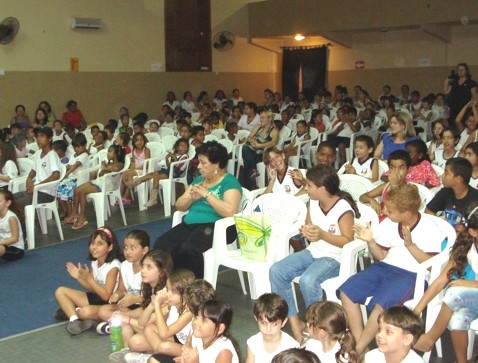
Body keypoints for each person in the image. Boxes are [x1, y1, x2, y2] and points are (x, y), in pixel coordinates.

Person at [338, 184, 444, 355]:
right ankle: (362, 346)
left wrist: (410, 245)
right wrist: (370, 241)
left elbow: (432, 265)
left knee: (381, 306)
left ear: (407, 212)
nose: (386, 213)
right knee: (346, 292)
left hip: (412, 275)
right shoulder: (389, 223)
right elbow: (380, 256)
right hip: (385, 267)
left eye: (391, 211)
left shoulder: (429, 228)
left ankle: (356, 351)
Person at [269, 164, 359, 340]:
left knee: (308, 281)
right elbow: (310, 225)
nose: (306, 188)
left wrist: (323, 235)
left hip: (335, 258)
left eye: (309, 185)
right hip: (314, 250)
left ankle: (317, 327)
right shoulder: (313, 201)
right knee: (276, 270)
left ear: (322, 189)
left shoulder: (343, 209)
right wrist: (307, 231)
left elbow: (348, 241)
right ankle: (296, 324)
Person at [154, 141, 241, 278]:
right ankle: (175, 283)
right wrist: (192, 198)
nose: (199, 166)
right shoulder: (199, 180)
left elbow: (230, 211)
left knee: (189, 249)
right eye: (199, 162)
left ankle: (196, 288)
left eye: (203, 163)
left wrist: (207, 195)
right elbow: (179, 205)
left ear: (217, 163)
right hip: (191, 224)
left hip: (218, 226)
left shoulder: (229, 182)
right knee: (162, 245)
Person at [413, 204, 478, 363]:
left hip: (470, 293)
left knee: (456, 290)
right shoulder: (467, 246)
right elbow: (441, 280)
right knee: (457, 319)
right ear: (473, 232)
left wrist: (466, 284)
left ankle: (430, 339)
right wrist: (416, 311)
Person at [54, 227, 123, 335]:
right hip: (97, 297)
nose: (94, 247)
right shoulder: (95, 262)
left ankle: (73, 311)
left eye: (100, 244)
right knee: (60, 291)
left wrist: (89, 278)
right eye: (92, 243)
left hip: (110, 302)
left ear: (110, 247)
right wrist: (79, 278)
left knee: (85, 312)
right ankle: (74, 320)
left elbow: (106, 296)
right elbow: (91, 288)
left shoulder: (114, 266)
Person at [122, 269, 196, 363]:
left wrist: (157, 306)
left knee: (164, 346)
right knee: (142, 335)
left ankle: (150, 358)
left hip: (188, 348)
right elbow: (142, 323)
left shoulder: (189, 312)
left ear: (184, 294)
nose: (168, 294)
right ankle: (156, 357)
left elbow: (164, 333)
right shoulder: (171, 305)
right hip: (175, 340)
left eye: (172, 291)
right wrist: (152, 305)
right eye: (168, 289)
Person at [147, 279, 217, 363]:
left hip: (196, 359)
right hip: (186, 353)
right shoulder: (196, 321)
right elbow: (187, 345)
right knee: (152, 360)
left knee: (162, 349)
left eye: (186, 303)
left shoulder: (205, 328)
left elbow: (201, 356)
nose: (184, 305)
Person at [96, 230, 150, 332]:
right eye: (125, 247)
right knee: (103, 311)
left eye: (132, 248)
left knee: (145, 314)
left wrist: (137, 299)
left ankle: (123, 325)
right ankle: (130, 325)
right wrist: (117, 295)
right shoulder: (124, 265)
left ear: (145, 250)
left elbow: (154, 299)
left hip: (145, 307)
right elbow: (121, 290)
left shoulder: (149, 269)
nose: (128, 251)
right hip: (129, 306)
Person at [63, 144, 125, 229]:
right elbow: (100, 174)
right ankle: (74, 213)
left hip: (108, 185)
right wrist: (104, 168)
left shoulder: (120, 164)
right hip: (99, 182)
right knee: (76, 190)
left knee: (82, 192)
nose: (107, 153)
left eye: (110, 151)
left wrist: (105, 167)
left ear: (117, 153)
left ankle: (82, 217)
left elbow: (116, 169)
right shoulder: (108, 164)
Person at [13, 126, 61, 221]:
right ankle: (22, 226)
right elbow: (33, 171)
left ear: (50, 139)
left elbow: (56, 175)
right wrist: (29, 180)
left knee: (17, 203)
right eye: (37, 136)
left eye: (42, 136)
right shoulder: (39, 153)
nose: (39, 139)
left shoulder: (52, 155)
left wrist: (37, 186)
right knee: (10, 199)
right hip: (37, 190)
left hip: (47, 193)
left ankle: (26, 229)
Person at [170, 300, 241, 363]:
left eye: (204, 320)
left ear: (220, 328)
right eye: (197, 317)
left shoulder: (223, 351)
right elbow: (187, 351)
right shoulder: (196, 337)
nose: (196, 322)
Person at [134, 138, 189, 208]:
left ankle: (153, 199)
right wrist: (167, 158)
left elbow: (177, 166)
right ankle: (136, 182)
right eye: (181, 146)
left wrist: (175, 158)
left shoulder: (184, 156)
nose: (183, 147)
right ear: (177, 148)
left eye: (185, 146)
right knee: (153, 173)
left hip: (175, 174)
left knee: (156, 177)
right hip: (169, 171)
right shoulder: (176, 154)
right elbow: (169, 167)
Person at [245, 293, 299, 363]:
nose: (268, 329)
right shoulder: (253, 343)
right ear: (256, 319)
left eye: (274, 324)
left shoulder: (291, 347)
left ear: (284, 322)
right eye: (263, 323)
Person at [426, 157, 478, 229]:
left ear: (458, 179)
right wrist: (442, 227)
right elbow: (429, 211)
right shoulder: (445, 192)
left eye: (446, 173)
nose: (442, 175)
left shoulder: (475, 200)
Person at [359, 150, 410, 219]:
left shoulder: (411, 189)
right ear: (389, 170)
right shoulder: (386, 186)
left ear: (408, 170)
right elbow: (362, 197)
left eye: (401, 168)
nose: (396, 172)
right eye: (393, 168)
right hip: (380, 220)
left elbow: (399, 207)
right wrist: (371, 200)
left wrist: (394, 185)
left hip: (396, 223)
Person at [242, 110, 279, 189]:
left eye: (263, 118)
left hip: (262, 153)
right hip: (252, 151)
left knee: (246, 155)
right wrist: (254, 142)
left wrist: (260, 145)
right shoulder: (258, 127)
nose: (260, 120)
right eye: (260, 118)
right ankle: (253, 171)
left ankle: (249, 184)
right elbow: (249, 137)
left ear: (269, 119)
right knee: (245, 150)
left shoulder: (274, 131)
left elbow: (273, 143)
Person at [57, 133, 89, 219]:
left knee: (67, 190)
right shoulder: (73, 155)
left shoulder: (84, 155)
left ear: (84, 145)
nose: (76, 149)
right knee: (59, 187)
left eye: (78, 147)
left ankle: (72, 213)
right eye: (74, 147)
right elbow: (68, 166)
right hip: (72, 178)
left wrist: (65, 175)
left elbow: (74, 166)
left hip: (80, 180)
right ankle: (66, 211)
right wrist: (67, 171)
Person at [444, 62, 478, 128]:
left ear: (466, 71)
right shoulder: (454, 82)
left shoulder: (471, 83)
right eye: (459, 70)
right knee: (454, 126)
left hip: (465, 109)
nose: (460, 72)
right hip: (454, 109)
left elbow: (474, 98)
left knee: (464, 126)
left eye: (462, 70)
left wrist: (472, 108)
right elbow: (447, 93)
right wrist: (446, 83)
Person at [120, 132, 151, 205]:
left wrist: (137, 168)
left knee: (128, 174)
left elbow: (147, 163)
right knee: (124, 174)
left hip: (144, 170)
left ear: (144, 141)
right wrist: (132, 168)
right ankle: (121, 197)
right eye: (137, 140)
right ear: (134, 142)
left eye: (141, 140)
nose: (139, 142)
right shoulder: (133, 151)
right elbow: (133, 163)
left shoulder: (146, 150)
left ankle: (126, 196)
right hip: (136, 170)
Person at [0, 190, 25, 261]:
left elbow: (15, 238)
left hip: (16, 249)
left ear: (8, 203)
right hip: (3, 245)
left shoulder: (11, 218)